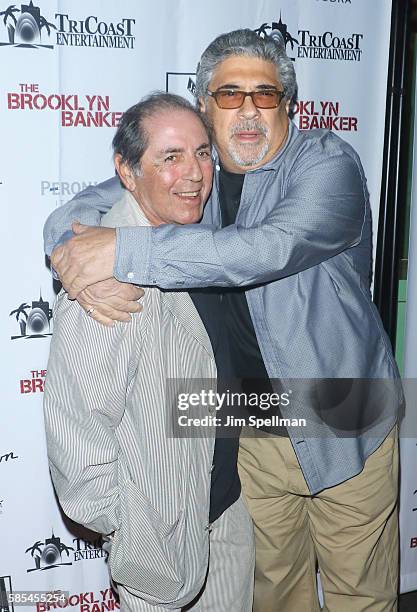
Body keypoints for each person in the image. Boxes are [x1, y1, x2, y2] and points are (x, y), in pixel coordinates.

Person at [44, 30, 402, 612]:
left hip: (347, 421)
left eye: (265, 94)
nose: (248, 110)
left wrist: (121, 253)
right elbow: (79, 210)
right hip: (253, 430)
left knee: (361, 599)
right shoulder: (199, 174)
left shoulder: (325, 163)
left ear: (289, 104)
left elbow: (264, 251)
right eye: (229, 94)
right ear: (204, 105)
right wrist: (72, 251)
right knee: (277, 598)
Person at [43, 92, 254, 612]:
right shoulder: (103, 280)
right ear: (127, 170)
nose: (195, 173)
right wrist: (136, 533)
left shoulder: (202, 238)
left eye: (203, 153)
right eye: (170, 157)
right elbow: (78, 446)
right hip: (159, 543)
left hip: (224, 511)